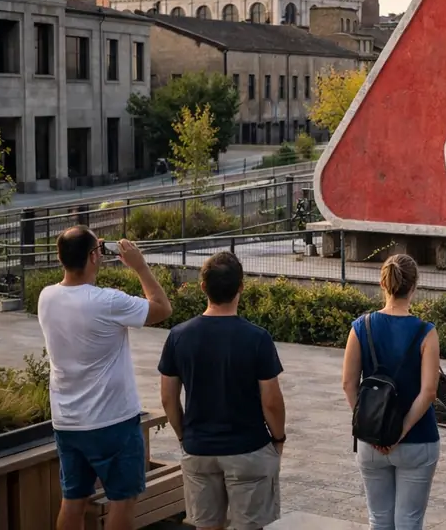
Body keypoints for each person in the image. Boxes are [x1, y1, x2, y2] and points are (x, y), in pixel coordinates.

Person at [37, 227, 172, 530]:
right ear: (94, 256)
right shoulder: (108, 302)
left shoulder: (46, 297)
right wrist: (140, 266)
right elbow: (162, 308)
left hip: (68, 421)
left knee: (73, 500)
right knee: (123, 500)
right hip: (112, 421)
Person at [158, 251, 286, 530]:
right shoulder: (257, 338)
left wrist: (184, 435)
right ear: (241, 287)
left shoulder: (178, 336)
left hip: (199, 448)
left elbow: (168, 397)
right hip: (247, 447)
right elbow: (272, 401)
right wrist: (279, 438)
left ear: (203, 286)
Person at [342, 254, 441, 530]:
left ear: (382, 283)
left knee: (379, 520)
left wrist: (371, 424)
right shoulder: (426, 332)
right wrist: (400, 430)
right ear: (414, 286)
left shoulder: (361, 327)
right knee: (409, 521)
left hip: (371, 441)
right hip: (418, 438)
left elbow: (348, 384)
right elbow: (429, 391)